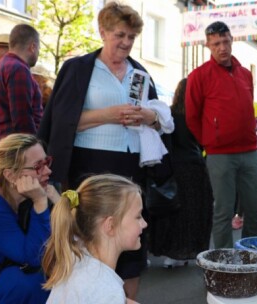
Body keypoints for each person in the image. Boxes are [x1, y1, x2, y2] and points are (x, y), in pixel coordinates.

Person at [38, 2, 173, 299]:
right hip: (89, 164)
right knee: (90, 237)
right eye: (120, 35)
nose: (126, 43)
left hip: (131, 166)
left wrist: (149, 117)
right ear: (103, 32)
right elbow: (62, 122)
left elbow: (156, 116)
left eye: (131, 37)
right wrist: (108, 115)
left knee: (129, 235)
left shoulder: (140, 72)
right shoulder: (78, 68)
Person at [185, 21, 257, 249]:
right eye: (216, 43)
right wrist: (211, 141)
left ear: (232, 41)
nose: (222, 47)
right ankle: (223, 265)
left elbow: (247, 109)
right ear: (208, 45)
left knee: (254, 209)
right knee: (223, 212)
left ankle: (251, 258)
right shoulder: (199, 76)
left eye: (226, 41)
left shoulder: (245, 74)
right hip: (220, 155)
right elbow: (191, 117)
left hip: (249, 151)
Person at [0, 133, 59, 303]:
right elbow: (34, 258)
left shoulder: (16, 198)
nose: (48, 171)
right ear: (10, 175)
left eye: (47, 162)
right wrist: (40, 202)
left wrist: (58, 203)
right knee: (37, 281)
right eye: (38, 166)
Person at [43, 174, 147, 303]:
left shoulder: (77, 257)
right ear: (110, 225)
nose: (144, 223)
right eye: (138, 217)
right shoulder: (107, 291)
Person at [149, 78, 213, 268]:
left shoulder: (167, 114)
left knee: (174, 212)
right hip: (196, 168)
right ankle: (188, 251)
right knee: (194, 212)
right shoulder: (197, 115)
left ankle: (171, 253)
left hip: (173, 167)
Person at [0, 25, 42, 152]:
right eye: (39, 48)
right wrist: (34, 149)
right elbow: (22, 118)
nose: (38, 53)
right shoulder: (18, 69)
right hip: (14, 152)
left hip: (1, 147)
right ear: (33, 47)